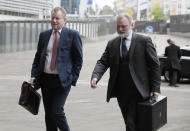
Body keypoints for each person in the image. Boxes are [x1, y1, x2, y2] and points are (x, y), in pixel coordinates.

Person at [90, 13, 161, 131]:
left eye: (123, 26)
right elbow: (103, 62)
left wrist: (156, 88)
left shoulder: (144, 41)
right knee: (131, 122)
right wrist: (95, 76)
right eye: (118, 26)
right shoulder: (112, 43)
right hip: (121, 93)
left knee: (130, 123)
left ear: (132, 25)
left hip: (140, 91)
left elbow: (155, 65)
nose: (120, 29)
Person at [29, 7, 83, 131]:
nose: (54, 21)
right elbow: (38, 58)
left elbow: (78, 60)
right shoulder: (44, 35)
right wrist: (34, 75)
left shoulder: (72, 35)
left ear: (64, 20)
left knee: (57, 111)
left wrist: (72, 78)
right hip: (45, 79)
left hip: (62, 81)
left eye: (57, 18)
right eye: (52, 18)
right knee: (49, 114)